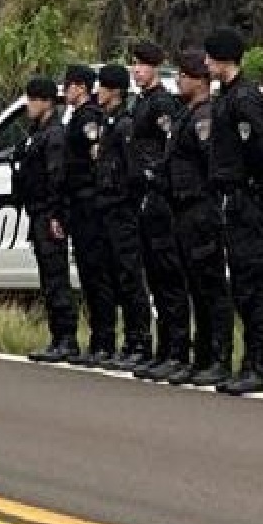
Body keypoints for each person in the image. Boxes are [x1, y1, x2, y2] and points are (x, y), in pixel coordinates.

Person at [205, 26, 263, 395]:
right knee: (241, 283)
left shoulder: (245, 98)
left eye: (210, 57)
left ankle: (258, 363)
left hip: (246, 199)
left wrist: (258, 197)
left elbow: (259, 151)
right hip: (229, 199)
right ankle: (245, 361)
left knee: (251, 284)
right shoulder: (225, 97)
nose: (205, 63)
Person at [162, 48, 234, 387]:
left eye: (183, 76)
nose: (178, 81)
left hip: (200, 209)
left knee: (211, 287)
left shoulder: (205, 115)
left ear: (200, 81)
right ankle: (201, 355)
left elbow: (211, 164)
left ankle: (219, 357)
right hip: (181, 209)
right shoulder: (185, 113)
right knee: (194, 286)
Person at [127, 42, 192, 382]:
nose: (136, 70)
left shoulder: (163, 103)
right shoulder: (142, 102)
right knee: (154, 276)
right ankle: (164, 349)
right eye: (134, 65)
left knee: (169, 277)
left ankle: (179, 349)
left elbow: (169, 146)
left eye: (142, 65)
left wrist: (156, 181)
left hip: (160, 200)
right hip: (143, 199)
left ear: (155, 67)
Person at [93, 63, 155, 370]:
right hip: (107, 208)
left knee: (131, 277)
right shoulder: (107, 121)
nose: (98, 92)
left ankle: (140, 341)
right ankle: (127, 340)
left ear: (115, 90)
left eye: (103, 86)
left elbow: (133, 172)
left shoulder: (124, 125)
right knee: (116, 276)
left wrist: (125, 201)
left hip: (122, 210)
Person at [15, 76, 80, 364]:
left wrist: (56, 214)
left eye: (32, 99)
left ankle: (65, 338)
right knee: (48, 276)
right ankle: (58, 336)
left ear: (45, 101)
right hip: (37, 211)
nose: (29, 105)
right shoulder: (36, 132)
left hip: (48, 213)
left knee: (56, 277)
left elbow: (57, 177)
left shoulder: (54, 135)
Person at [60, 64, 118, 366]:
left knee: (97, 274)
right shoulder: (77, 117)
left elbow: (95, 158)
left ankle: (104, 342)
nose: (65, 90)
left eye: (68, 85)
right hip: (78, 204)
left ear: (81, 87)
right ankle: (98, 340)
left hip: (90, 203)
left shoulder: (89, 118)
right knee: (88, 274)